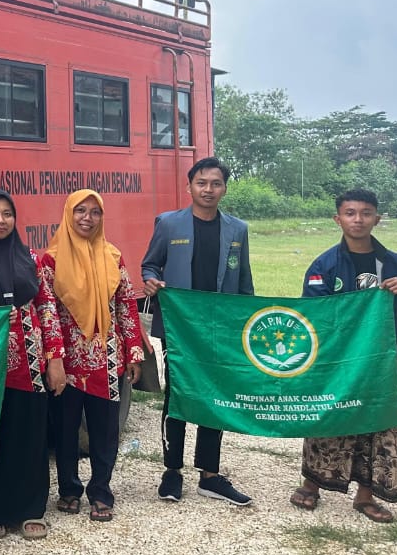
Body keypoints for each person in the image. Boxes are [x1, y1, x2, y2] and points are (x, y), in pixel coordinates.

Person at [291, 188, 397, 522]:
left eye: (366, 213)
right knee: (329, 419)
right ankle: (311, 484)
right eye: (350, 213)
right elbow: (313, 314)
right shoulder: (325, 264)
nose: (358, 219)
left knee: (379, 426)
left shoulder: (394, 264)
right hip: (338, 362)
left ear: (376, 219)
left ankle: (367, 496)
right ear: (338, 219)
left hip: (382, 360)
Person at [141, 156, 255, 507]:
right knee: (178, 396)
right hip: (180, 328)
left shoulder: (237, 229)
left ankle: (210, 474)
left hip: (220, 328)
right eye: (202, 183)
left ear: (224, 188)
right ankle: (171, 472)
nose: (208, 189)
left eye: (216, 183)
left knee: (214, 397)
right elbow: (150, 263)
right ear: (189, 186)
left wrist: (244, 321)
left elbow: (245, 278)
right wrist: (149, 281)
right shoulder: (169, 224)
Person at [0, 189, 65, 541]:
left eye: (7, 214)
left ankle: (29, 508)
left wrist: (55, 359)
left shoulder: (30, 259)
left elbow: (47, 308)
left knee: (30, 435)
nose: (0, 221)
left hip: (30, 364)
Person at [41, 189, 143, 523]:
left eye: (95, 212)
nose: (87, 218)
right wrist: (53, 357)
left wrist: (134, 353)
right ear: (68, 215)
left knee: (105, 430)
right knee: (65, 429)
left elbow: (126, 305)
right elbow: (48, 312)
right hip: (67, 362)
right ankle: (69, 489)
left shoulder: (112, 257)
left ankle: (101, 490)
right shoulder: (50, 260)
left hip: (106, 359)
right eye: (80, 211)